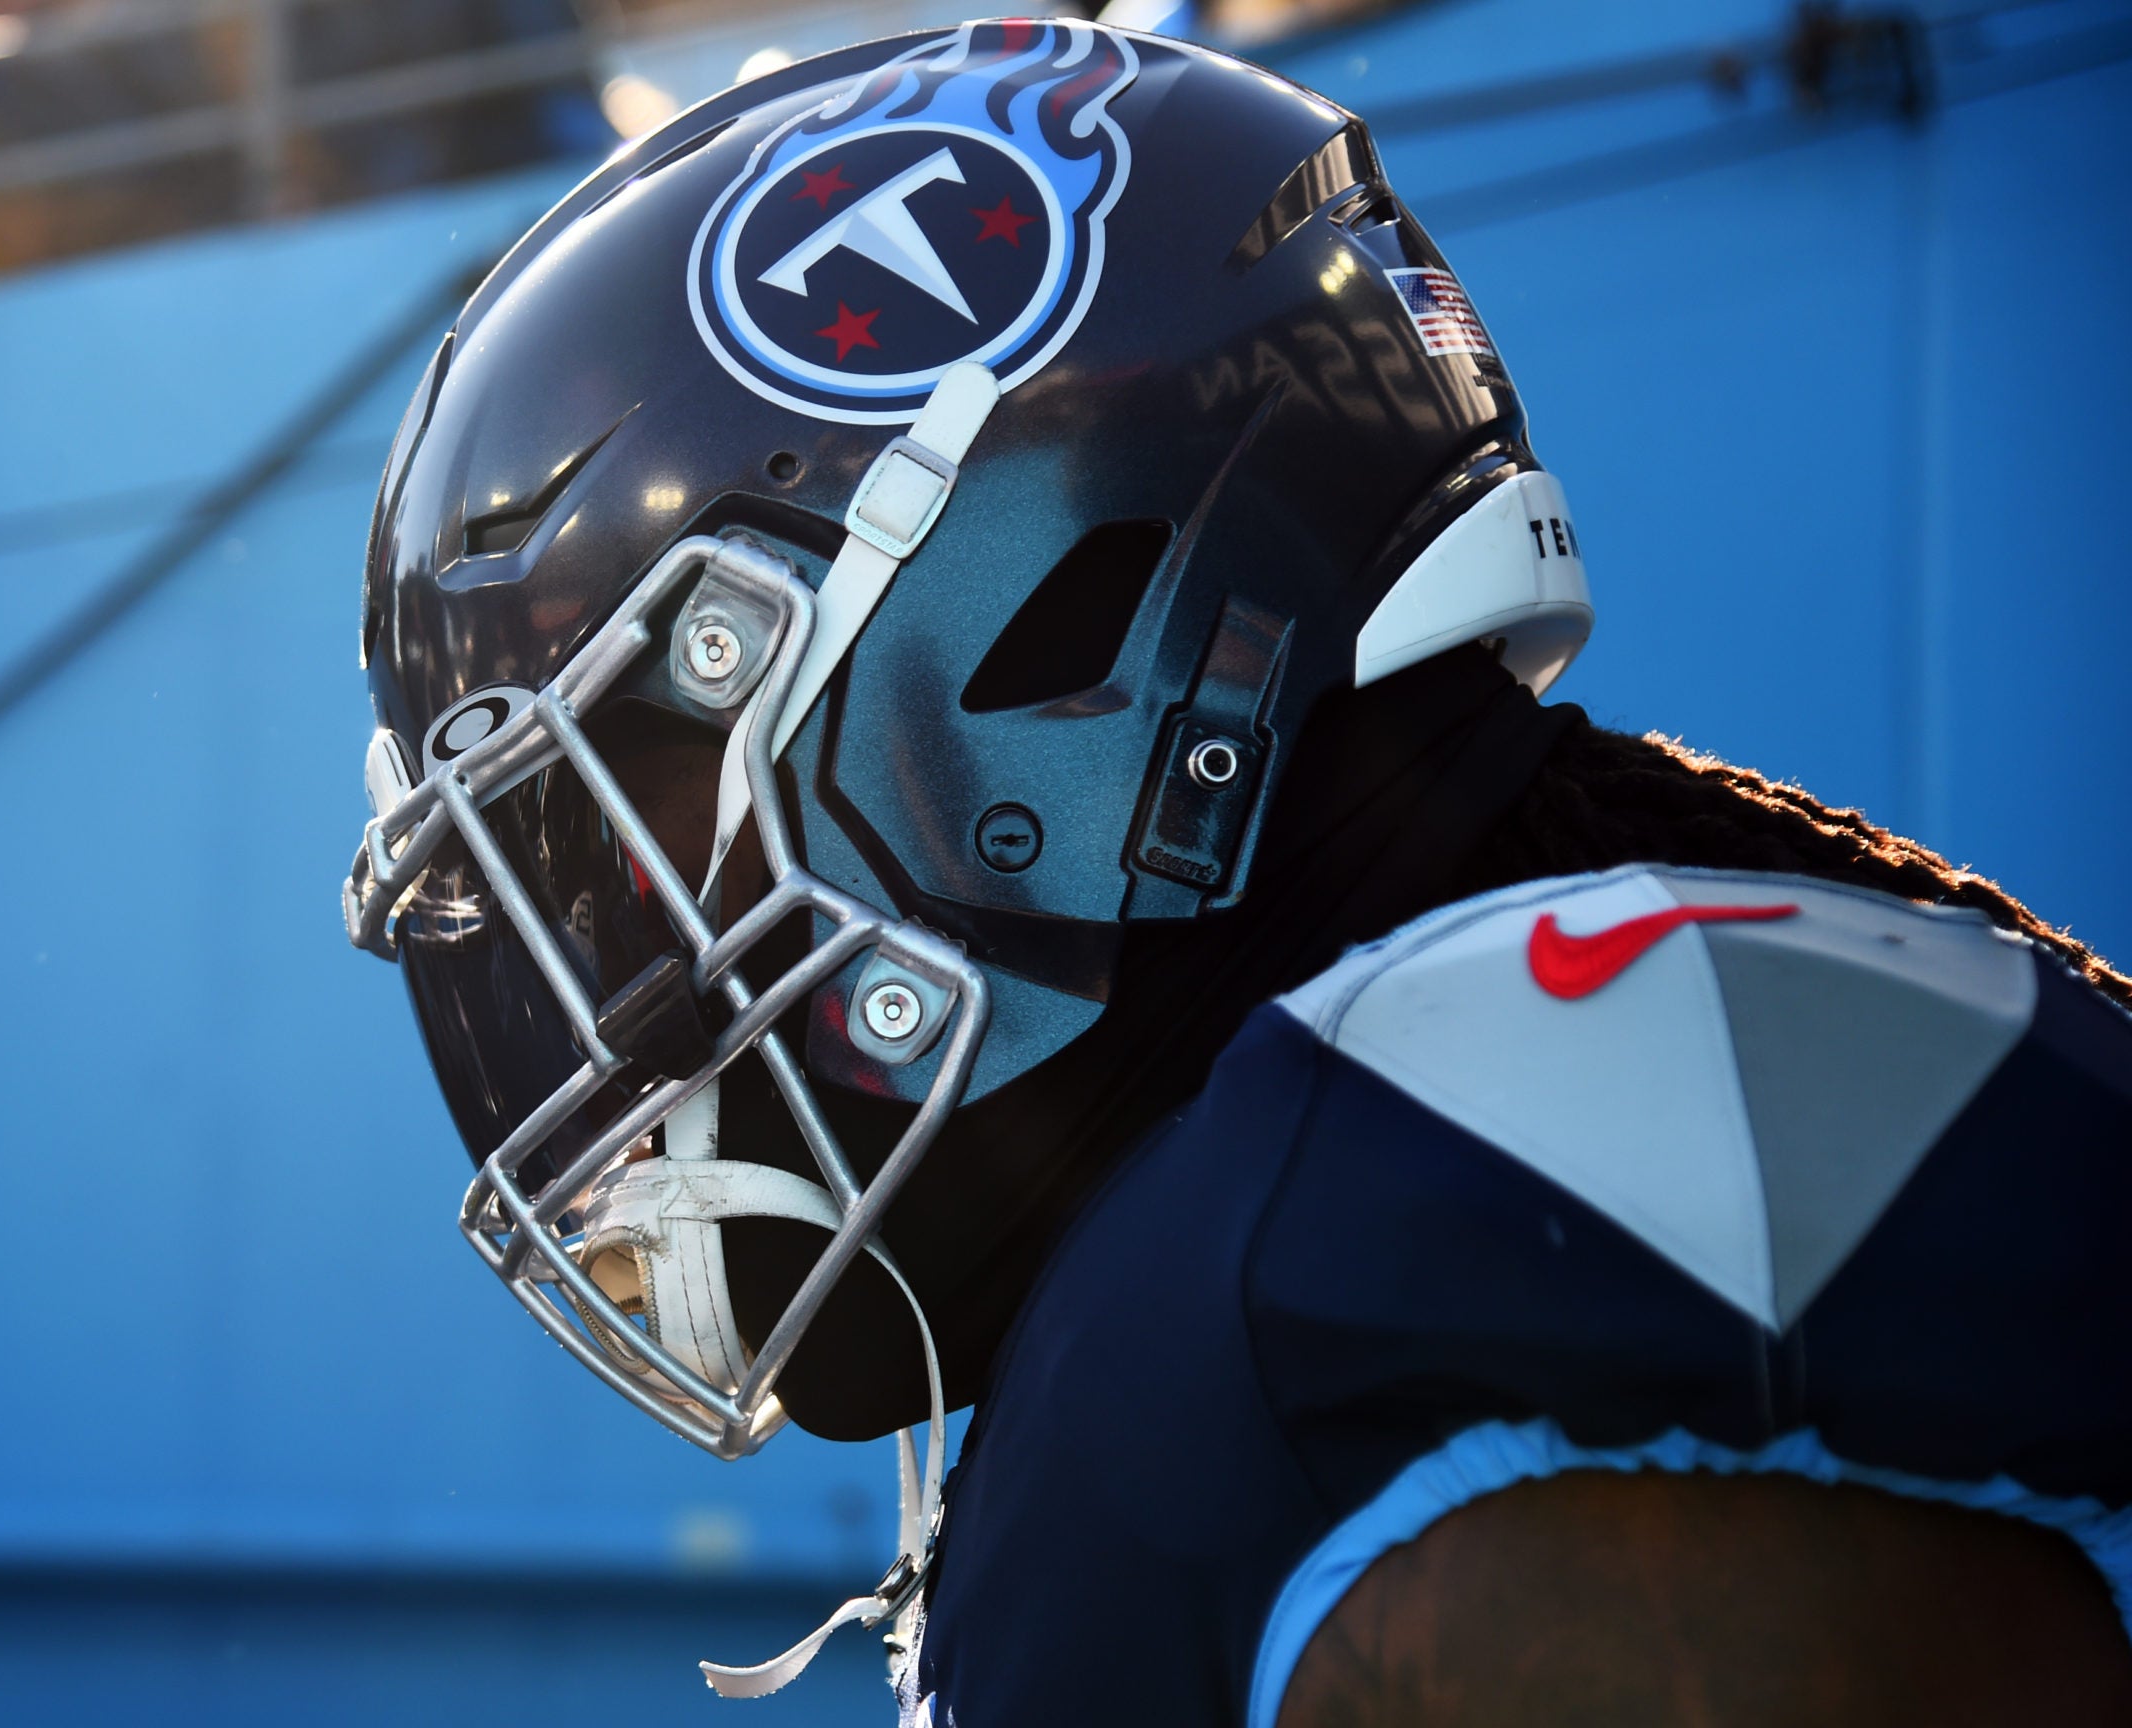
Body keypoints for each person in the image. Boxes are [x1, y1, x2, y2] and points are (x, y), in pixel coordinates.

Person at [339, 19, 2132, 1724]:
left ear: (1046, 643)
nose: (620, 1011)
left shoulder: (1482, 1181)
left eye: (631, 831)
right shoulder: (1401, 1136)